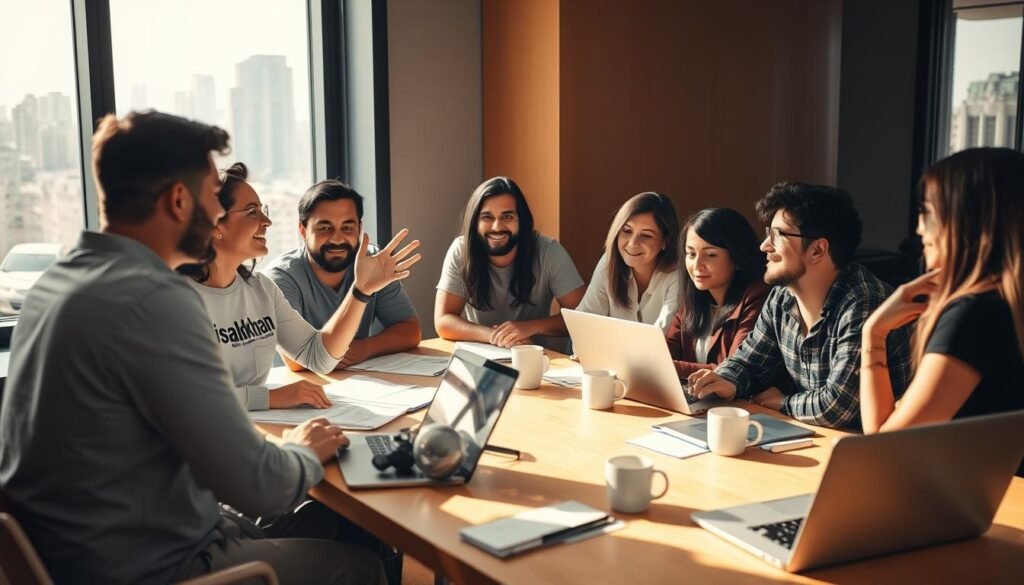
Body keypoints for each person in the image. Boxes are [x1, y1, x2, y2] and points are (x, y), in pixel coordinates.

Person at [0, 111, 384, 585]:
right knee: (362, 566)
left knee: (329, 522)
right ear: (179, 200)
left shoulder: (54, 285)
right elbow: (258, 487)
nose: (217, 212)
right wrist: (305, 450)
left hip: (89, 548)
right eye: (210, 196)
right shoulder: (155, 300)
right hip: (156, 565)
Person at [179, 162, 421, 411]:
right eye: (252, 212)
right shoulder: (175, 301)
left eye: (263, 210)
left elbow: (318, 357)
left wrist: (361, 291)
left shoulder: (261, 289)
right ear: (215, 224)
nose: (267, 221)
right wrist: (271, 398)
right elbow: (183, 396)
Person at [688, 183, 912, 429]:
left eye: (777, 235)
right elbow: (749, 361)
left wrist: (783, 403)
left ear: (817, 250)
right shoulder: (782, 297)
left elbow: (838, 407)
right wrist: (724, 379)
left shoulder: (865, 302)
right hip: (815, 438)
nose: (764, 246)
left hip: (866, 449)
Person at [859, 148, 1024, 454]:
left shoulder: (974, 315)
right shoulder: (1004, 307)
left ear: (967, 221)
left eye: (928, 212)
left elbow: (886, 445)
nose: (919, 228)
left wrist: (874, 332)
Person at [266, 180, 420, 371]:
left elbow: (410, 331)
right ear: (303, 231)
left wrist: (366, 348)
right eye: (324, 228)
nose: (337, 239)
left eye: (347, 227)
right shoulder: (282, 277)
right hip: (302, 387)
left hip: (360, 379)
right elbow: (296, 362)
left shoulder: (372, 263)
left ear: (359, 228)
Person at [435, 177, 586, 350]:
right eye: (487, 217)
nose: (497, 226)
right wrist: (498, 337)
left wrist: (528, 327)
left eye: (507, 216)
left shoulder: (550, 252)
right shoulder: (461, 251)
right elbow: (443, 320)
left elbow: (581, 318)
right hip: (479, 355)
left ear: (521, 221)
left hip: (533, 356)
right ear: (474, 223)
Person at [666, 208, 773, 381]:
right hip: (699, 400)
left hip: (737, 406)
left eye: (710, 255)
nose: (697, 265)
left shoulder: (757, 296)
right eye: (691, 254)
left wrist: (668, 367)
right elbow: (664, 353)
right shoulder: (694, 299)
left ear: (737, 256)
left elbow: (734, 369)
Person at [576, 192, 680, 332]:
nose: (632, 243)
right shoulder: (609, 261)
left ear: (665, 241)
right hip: (608, 353)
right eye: (627, 231)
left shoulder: (677, 274)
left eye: (646, 235)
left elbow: (662, 336)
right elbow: (583, 321)